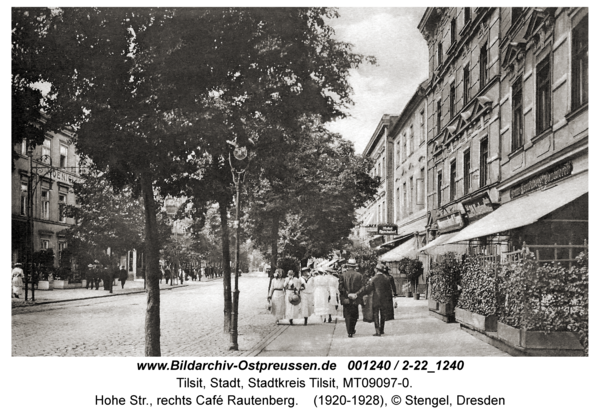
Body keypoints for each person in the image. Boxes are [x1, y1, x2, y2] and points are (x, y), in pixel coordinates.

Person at [350, 263, 397, 336]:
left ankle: (377, 331)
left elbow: (367, 288)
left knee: (375, 314)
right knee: (383, 314)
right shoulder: (387, 278)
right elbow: (389, 290)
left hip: (376, 299)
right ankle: (382, 330)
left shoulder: (374, 278)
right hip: (384, 299)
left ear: (376, 270)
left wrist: (358, 294)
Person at [339, 259, 364, 337]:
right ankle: (352, 329)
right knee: (355, 314)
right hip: (355, 298)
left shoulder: (342, 275)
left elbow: (340, 287)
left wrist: (348, 294)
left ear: (348, 266)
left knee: (347, 315)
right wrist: (356, 294)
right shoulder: (359, 275)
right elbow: (363, 287)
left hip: (346, 298)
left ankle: (349, 331)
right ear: (354, 267)